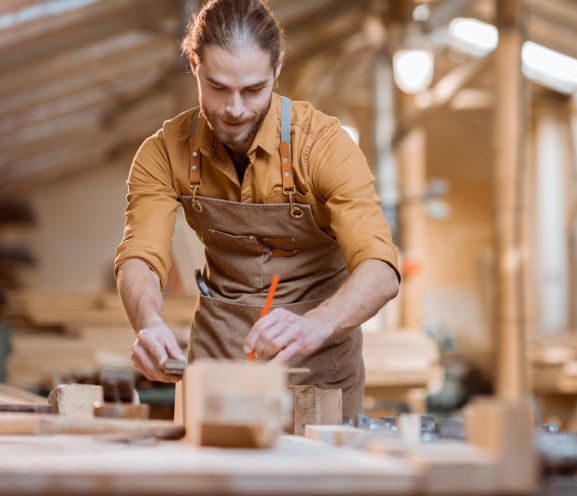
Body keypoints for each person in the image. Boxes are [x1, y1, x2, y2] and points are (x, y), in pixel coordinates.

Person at [114, 0, 400, 416]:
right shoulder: (163, 153)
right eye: (218, 87)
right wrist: (148, 323)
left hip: (316, 369)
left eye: (253, 90)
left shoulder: (323, 145)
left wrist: (315, 325)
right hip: (216, 366)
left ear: (277, 69)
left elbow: (381, 269)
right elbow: (140, 254)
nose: (234, 109)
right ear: (194, 64)